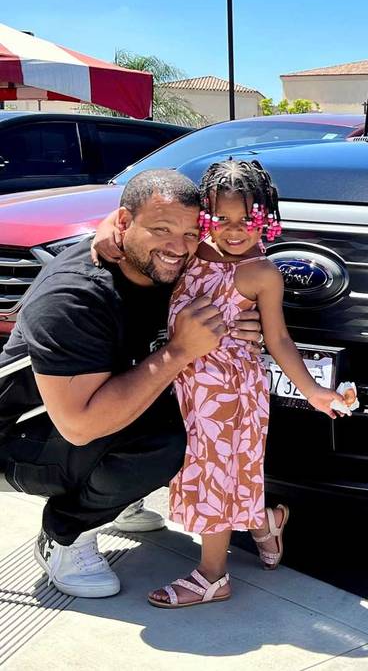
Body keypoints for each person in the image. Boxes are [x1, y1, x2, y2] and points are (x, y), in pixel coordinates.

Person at [0, 169, 263, 598]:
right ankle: (66, 532)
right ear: (125, 223)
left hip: (84, 410)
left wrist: (237, 322)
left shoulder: (170, 263)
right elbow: (79, 426)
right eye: (161, 229)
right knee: (167, 438)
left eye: (191, 232)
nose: (178, 247)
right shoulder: (74, 297)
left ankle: (118, 497)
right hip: (24, 432)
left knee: (205, 407)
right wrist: (180, 351)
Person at [144, 160, 350, 609]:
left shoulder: (262, 274)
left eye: (248, 220)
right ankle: (266, 524)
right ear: (205, 218)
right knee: (211, 470)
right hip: (185, 384)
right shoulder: (190, 252)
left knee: (216, 474)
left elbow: (277, 338)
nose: (235, 231)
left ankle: (213, 575)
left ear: (267, 219)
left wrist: (314, 390)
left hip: (230, 392)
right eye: (223, 219)